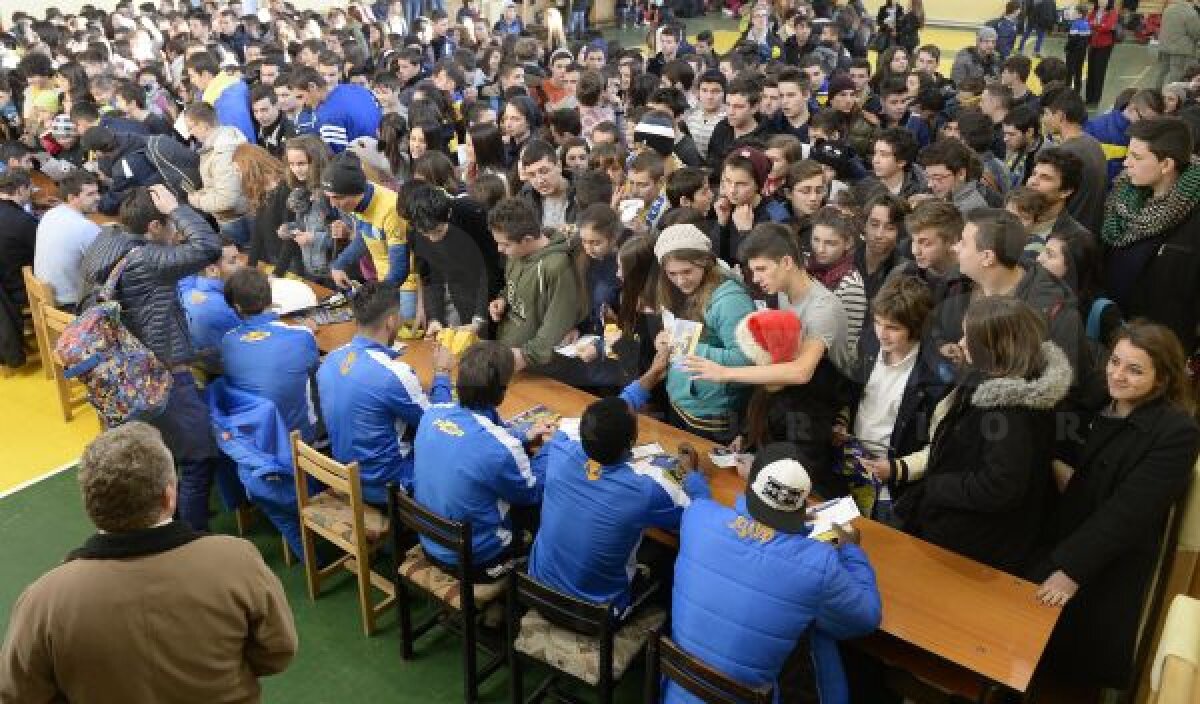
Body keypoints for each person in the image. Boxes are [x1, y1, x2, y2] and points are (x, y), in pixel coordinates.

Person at [0, 422, 297, 703]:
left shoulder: (43, 602)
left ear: (90, 506)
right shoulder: (236, 560)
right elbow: (277, 653)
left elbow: (18, 695)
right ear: (169, 497)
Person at [1033, 320, 1200, 689]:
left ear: (1162, 379)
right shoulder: (1099, 398)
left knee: (1067, 675)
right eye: (1115, 361)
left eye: (1135, 370)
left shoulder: (1177, 432)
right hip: (1063, 534)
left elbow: (1128, 513)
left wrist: (1071, 571)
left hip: (1102, 564)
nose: (1118, 375)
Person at [665, 443, 881, 704]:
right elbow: (866, 618)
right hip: (750, 694)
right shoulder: (818, 563)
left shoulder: (697, 517)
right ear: (802, 505)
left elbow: (703, 504)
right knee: (819, 634)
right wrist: (850, 550)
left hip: (675, 692)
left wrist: (693, 478)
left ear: (750, 483)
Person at [885, 296, 1071, 574]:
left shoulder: (1011, 413)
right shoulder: (985, 380)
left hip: (973, 550)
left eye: (968, 337)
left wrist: (937, 486)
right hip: (952, 528)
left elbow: (1000, 487)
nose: (961, 342)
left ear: (994, 347)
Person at [79, 185, 223, 531]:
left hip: (125, 379)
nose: (175, 232)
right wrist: (177, 209)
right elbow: (209, 247)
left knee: (158, 459)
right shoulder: (147, 258)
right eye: (170, 224)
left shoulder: (105, 242)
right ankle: (190, 536)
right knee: (199, 457)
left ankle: (168, 523)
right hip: (162, 375)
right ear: (154, 226)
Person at [529, 336, 704, 615]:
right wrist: (693, 475)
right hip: (596, 613)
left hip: (537, 588)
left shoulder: (561, 444)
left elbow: (611, 412)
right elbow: (697, 518)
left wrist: (652, 374)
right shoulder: (645, 491)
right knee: (665, 555)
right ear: (631, 444)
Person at [413, 340, 548, 575]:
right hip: (477, 561)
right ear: (502, 392)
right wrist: (553, 447)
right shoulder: (501, 449)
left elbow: (474, 437)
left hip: (430, 542)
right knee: (541, 505)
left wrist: (521, 436)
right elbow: (531, 493)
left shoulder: (431, 414)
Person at [318, 282, 454, 502]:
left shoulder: (330, 360)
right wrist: (442, 372)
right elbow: (439, 422)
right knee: (457, 450)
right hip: (386, 487)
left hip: (344, 474)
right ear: (391, 321)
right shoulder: (395, 374)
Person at [1101, 116, 1200, 353]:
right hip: (1115, 327)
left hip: (1159, 345)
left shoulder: (1193, 219)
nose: (1126, 163)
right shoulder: (1123, 194)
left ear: (1166, 165)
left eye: (1136, 157)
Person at [654, 223, 758, 443]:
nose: (680, 280)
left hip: (714, 413)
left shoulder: (731, 301)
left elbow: (747, 360)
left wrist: (685, 346)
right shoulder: (677, 288)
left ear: (704, 262)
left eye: (687, 271)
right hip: (683, 399)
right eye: (672, 273)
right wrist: (665, 339)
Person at [219, 267, 320, 442]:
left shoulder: (227, 340)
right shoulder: (302, 335)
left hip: (252, 435)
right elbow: (315, 368)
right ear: (270, 297)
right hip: (297, 437)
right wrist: (304, 330)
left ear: (237, 307)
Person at [488, 196, 584, 373]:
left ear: (527, 239)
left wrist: (526, 356)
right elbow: (512, 287)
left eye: (505, 244)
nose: (499, 249)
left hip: (538, 366)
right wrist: (502, 300)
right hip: (510, 353)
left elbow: (557, 324)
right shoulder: (516, 254)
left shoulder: (556, 267)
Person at [324, 153, 412, 291]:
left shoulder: (391, 209)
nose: (333, 204)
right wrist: (339, 265)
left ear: (356, 192)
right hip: (384, 278)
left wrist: (379, 293)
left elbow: (400, 266)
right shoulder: (358, 202)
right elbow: (365, 237)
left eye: (337, 197)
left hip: (407, 282)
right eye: (329, 197)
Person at [181, 102, 253, 247]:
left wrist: (198, 201)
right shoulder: (223, 140)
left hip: (236, 221)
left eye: (191, 127)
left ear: (204, 125)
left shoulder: (223, 153)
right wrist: (204, 192)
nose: (190, 132)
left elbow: (227, 199)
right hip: (239, 216)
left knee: (243, 255)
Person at [1041, 87, 1108, 237]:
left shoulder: (1065, 154)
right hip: (1089, 231)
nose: (1043, 120)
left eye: (1046, 113)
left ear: (1060, 116)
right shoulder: (1094, 144)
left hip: (1067, 235)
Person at [34, 171, 102, 310]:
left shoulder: (50, 213)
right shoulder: (85, 227)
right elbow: (107, 268)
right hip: (70, 306)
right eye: (90, 194)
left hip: (46, 300)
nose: (98, 197)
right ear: (72, 198)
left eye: (97, 192)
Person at [178, 237, 243, 374]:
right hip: (222, 369)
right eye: (233, 261)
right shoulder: (222, 308)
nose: (241, 265)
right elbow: (250, 340)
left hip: (198, 360)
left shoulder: (187, 287)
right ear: (212, 270)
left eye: (239, 258)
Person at [808, 206, 867, 353]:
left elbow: (845, 347)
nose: (820, 249)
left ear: (848, 243)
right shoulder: (807, 268)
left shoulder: (851, 286)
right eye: (816, 240)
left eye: (830, 243)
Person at [288, 66, 382, 154]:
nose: (302, 103)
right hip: (382, 151)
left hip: (363, 161)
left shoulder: (327, 116)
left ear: (312, 87)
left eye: (300, 97)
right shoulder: (356, 89)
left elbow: (338, 158)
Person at [185, 51, 256, 144]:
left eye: (192, 76)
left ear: (205, 75)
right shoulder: (237, 83)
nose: (191, 81)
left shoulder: (216, 102)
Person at [0, 170, 38, 307]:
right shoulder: (24, 221)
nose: (31, 192)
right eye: (30, 188)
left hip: (5, 290)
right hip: (20, 291)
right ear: (21, 190)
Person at [1155, 0, 1200, 89]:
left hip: (1164, 46)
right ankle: (1170, 95)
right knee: (1176, 75)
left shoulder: (1168, 9)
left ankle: (1156, 93)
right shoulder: (1190, 12)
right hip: (1180, 49)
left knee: (1162, 72)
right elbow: (1196, 32)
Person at [1085, 0, 1120, 107]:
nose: (1101, 1)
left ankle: (1095, 99)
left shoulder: (1112, 12)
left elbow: (1108, 27)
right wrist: (1099, 25)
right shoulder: (1094, 11)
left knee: (1099, 72)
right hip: (1093, 45)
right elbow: (1088, 23)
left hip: (1104, 46)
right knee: (1091, 71)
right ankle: (1088, 98)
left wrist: (1095, 25)